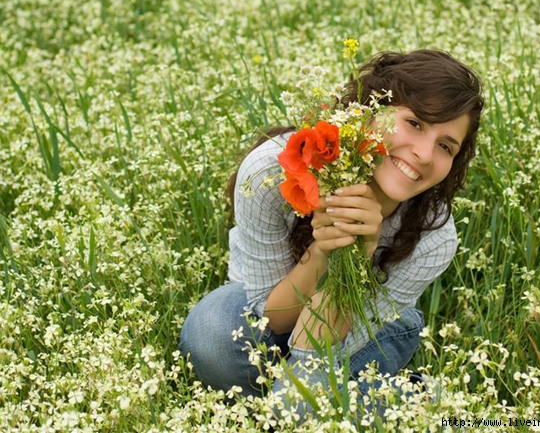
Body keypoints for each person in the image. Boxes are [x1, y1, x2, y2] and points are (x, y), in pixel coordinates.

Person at [179, 49, 484, 409]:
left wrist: (356, 255)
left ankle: (406, 400)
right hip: (265, 309)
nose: (423, 154)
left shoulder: (434, 238)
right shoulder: (269, 171)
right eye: (414, 123)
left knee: (297, 403)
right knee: (209, 337)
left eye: (445, 146)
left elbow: (318, 355)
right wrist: (323, 252)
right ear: (366, 111)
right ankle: (391, 402)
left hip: (363, 332)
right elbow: (272, 318)